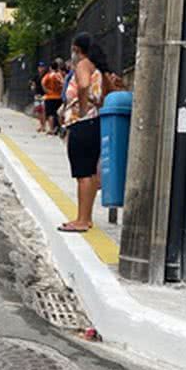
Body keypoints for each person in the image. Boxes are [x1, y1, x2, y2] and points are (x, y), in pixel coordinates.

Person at [58, 33, 110, 233]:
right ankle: (85, 218)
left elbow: (84, 85)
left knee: (83, 175)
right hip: (94, 123)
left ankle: (81, 220)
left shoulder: (83, 65)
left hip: (83, 124)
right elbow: (103, 95)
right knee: (88, 172)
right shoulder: (98, 68)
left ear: (77, 49)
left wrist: (81, 109)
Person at [42, 58, 64, 134]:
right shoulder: (59, 75)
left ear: (50, 68)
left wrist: (47, 91)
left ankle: (51, 129)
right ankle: (59, 128)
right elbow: (63, 83)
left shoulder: (48, 75)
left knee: (50, 114)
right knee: (58, 113)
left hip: (50, 97)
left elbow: (43, 83)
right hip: (58, 97)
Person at [30, 61, 47, 132]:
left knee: (43, 110)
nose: (41, 68)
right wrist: (33, 87)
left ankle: (43, 126)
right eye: (40, 67)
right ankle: (41, 124)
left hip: (44, 95)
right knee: (38, 111)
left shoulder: (46, 76)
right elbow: (32, 83)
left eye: (42, 67)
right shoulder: (36, 76)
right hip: (37, 95)